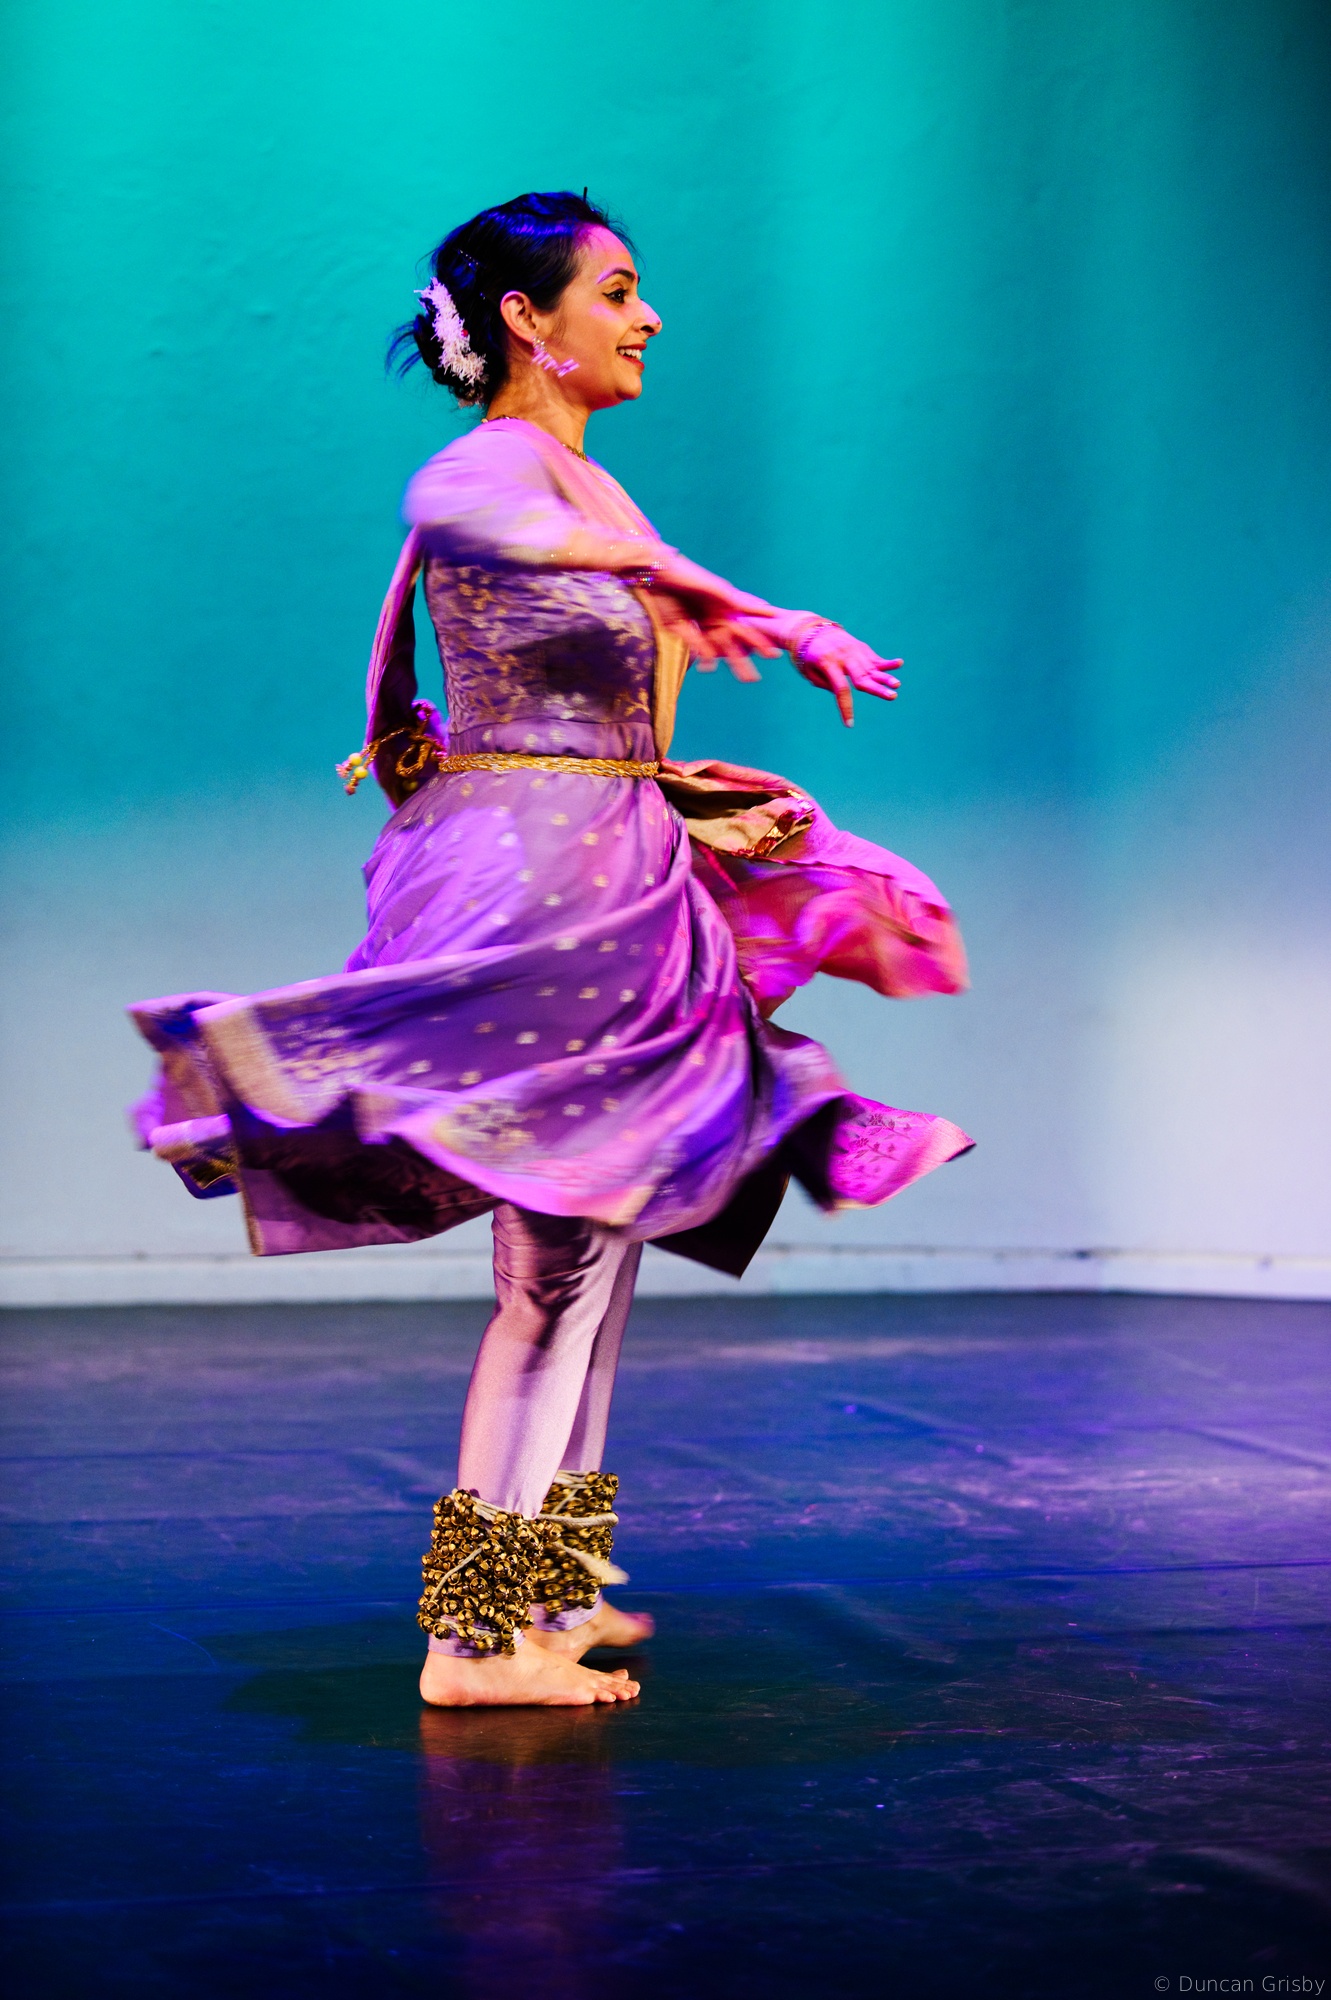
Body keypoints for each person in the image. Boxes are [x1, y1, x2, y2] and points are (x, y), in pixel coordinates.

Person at [129, 191, 972, 1710]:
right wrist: (733, 601)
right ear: (528, 318)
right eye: (619, 290)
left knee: (604, 1235)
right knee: (558, 1253)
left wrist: (694, 755)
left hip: (617, 871)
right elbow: (461, 513)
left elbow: (612, 672)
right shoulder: (493, 465)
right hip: (531, 882)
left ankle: (546, 1594)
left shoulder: (594, 481)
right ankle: (471, 1641)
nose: (648, 318)